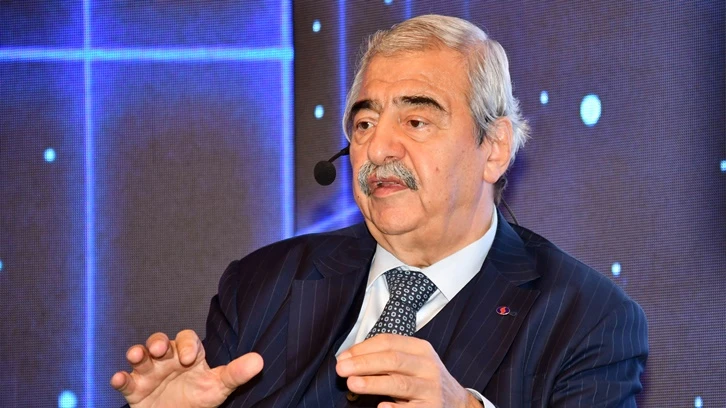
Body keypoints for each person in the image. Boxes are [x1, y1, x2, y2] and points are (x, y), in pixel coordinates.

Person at [111, 14, 648, 407]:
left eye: (416, 121)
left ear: (494, 148)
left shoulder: (587, 320)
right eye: (365, 124)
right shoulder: (261, 285)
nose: (378, 148)